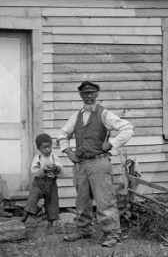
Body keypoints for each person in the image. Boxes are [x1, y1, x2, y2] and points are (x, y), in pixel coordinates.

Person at [58, 81, 134, 249]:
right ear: (81, 96)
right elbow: (62, 134)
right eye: (85, 94)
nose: (89, 96)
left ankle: (113, 234)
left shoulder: (104, 114)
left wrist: (112, 143)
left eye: (92, 93)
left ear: (97, 94)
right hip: (81, 165)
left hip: (99, 163)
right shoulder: (76, 116)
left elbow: (128, 128)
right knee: (82, 200)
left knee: (104, 200)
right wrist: (69, 152)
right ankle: (83, 229)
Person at [21, 133, 64, 229]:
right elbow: (34, 171)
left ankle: (51, 221)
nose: (48, 149)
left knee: (52, 201)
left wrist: (56, 168)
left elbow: (61, 171)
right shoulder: (38, 158)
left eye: (49, 147)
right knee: (33, 197)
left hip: (51, 183)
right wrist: (43, 169)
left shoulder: (54, 158)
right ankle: (25, 214)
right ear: (39, 149)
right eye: (44, 147)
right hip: (39, 182)